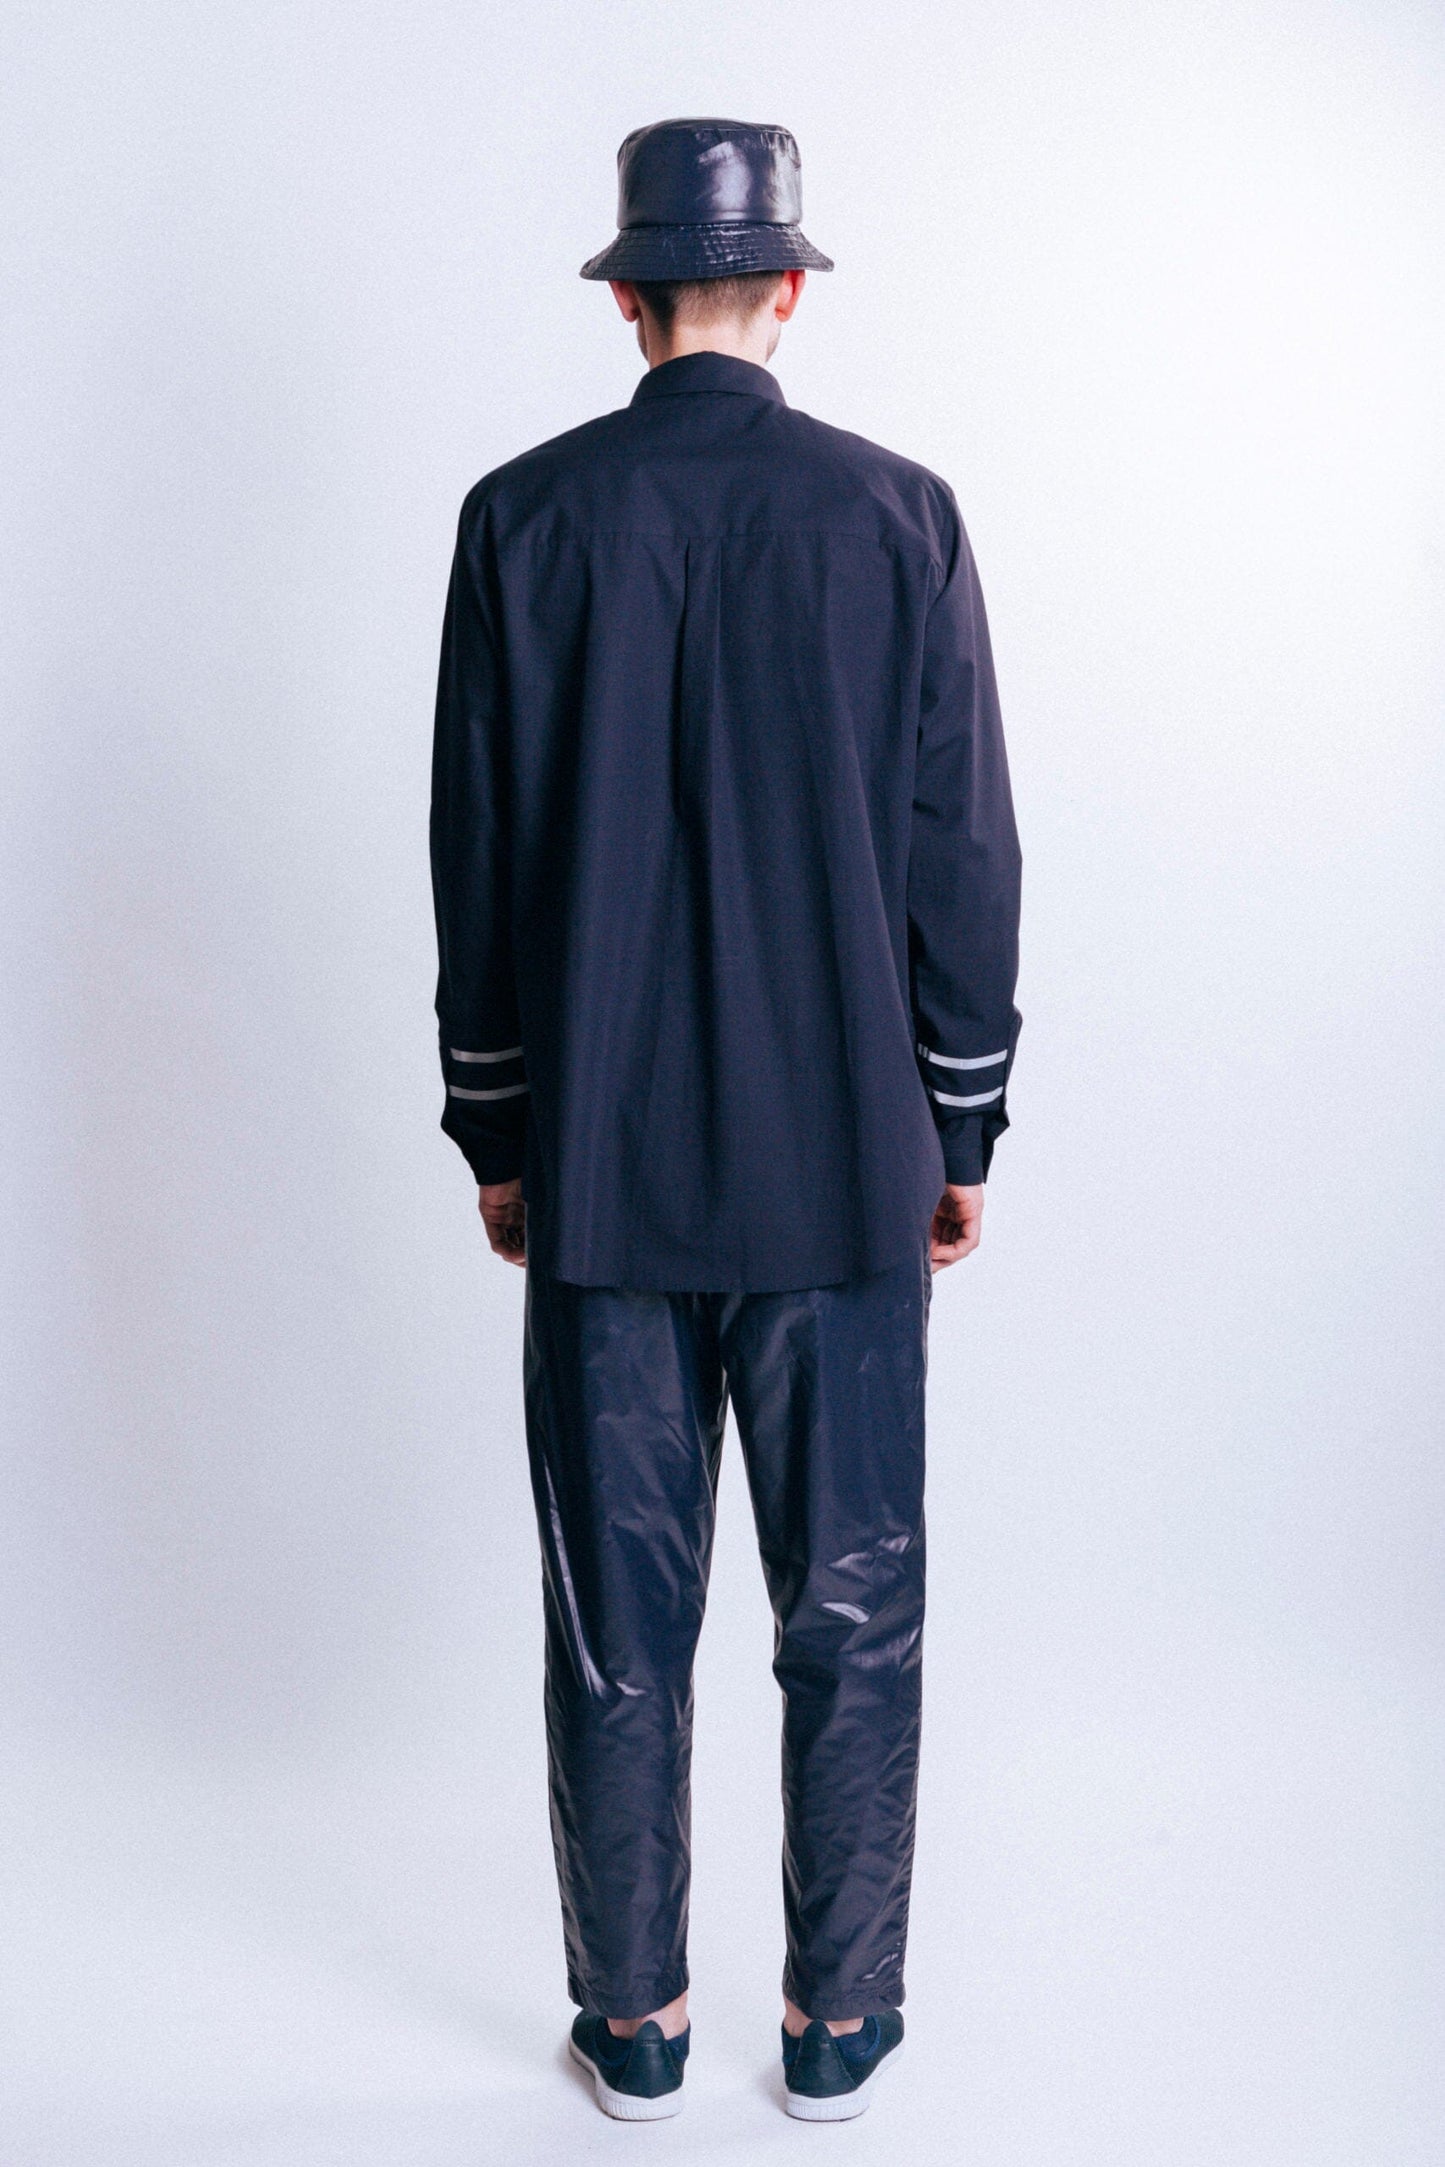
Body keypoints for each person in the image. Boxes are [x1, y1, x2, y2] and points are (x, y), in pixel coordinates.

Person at [429, 116, 1022, 2123]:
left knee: (618, 1622)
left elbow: (480, 859)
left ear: (626, 300)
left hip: (603, 1167)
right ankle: (839, 2024)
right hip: (847, 1160)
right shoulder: (898, 516)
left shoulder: (522, 520)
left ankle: (636, 2023)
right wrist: (961, 1126)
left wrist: (498, 1131)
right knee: (854, 1606)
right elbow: (961, 852)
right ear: (785, 288)